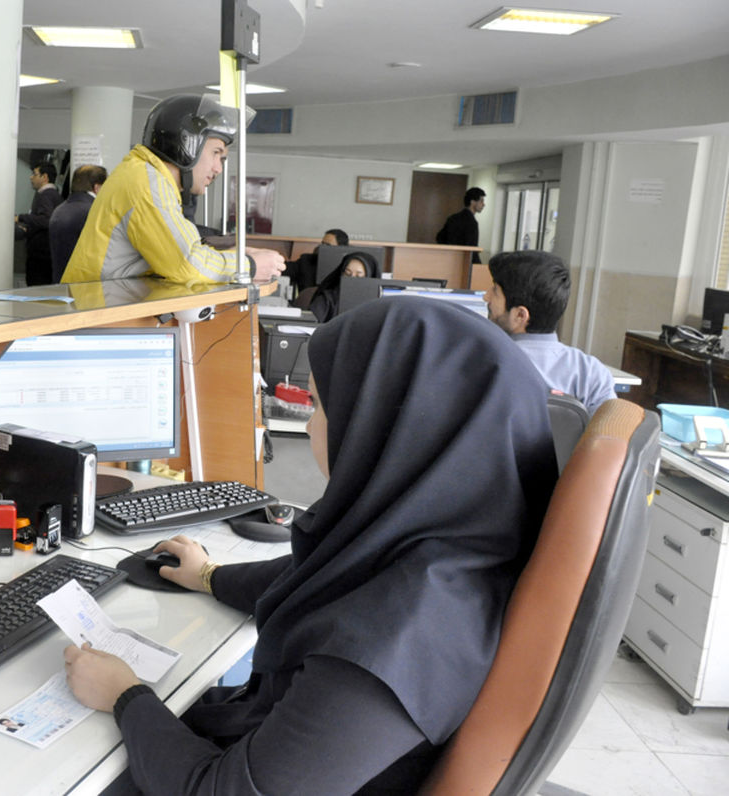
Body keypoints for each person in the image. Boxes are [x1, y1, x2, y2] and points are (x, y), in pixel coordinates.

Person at [64, 297, 557, 794]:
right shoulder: (449, 542)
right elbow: (325, 575)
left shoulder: (395, 643)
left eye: (321, 405)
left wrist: (125, 695)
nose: (309, 425)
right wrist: (209, 576)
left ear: (387, 426)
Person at [61, 94, 284, 286]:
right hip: (94, 319)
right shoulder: (147, 183)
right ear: (188, 145)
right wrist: (250, 266)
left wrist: (236, 255)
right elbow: (187, 263)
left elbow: (178, 249)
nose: (217, 168)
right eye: (216, 153)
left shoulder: (147, 176)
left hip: (100, 309)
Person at [484, 249, 616, 414]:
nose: (486, 297)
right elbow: (609, 433)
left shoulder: (484, 362)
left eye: (495, 291)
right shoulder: (591, 373)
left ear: (520, 315)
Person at [48, 164, 107, 282]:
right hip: (86, 288)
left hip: (60, 282)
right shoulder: (94, 211)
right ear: (97, 188)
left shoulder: (59, 209)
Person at [14, 162, 62, 286]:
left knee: (36, 290)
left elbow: (46, 220)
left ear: (45, 177)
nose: (31, 177)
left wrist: (21, 218)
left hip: (40, 256)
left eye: (35, 174)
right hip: (47, 254)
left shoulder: (46, 195)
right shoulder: (53, 195)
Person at [301, 250, 380, 322]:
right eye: (347, 274)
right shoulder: (327, 299)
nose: (351, 279)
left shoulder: (377, 305)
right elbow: (310, 326)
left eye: (358, 276)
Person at [287, 227, 351, 291]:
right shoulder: (306, 261)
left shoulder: (347, 269)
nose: (322, 248)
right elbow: (286, 268)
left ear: (340, 249)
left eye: (328, 245)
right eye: (322, 244)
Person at [436, 187, 486, 263]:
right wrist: (478, 266)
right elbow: (472, 249)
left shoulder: (453, 218)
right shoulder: (472, 223)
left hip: (449, 260)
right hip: (463, 262)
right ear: (472, 202)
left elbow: (439, 238)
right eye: (481, 201)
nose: (483, 204)